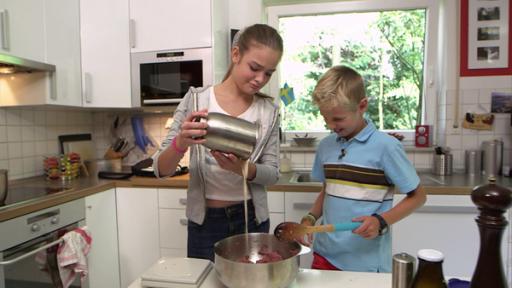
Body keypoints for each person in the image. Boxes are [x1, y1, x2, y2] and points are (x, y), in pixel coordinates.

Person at [151, 24, 283, 262]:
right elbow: (160, 169)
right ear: (235, 55)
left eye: (269, 73)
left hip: (251, 220)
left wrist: (243, 169)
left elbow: (273, 174)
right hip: (205, 222)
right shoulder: (195, 100)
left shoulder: (269, 112)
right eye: (254, 68)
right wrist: (180, 142)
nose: (260, 79)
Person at [301, 65, 426, 272]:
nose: (331, 125)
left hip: (366, 261)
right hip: (324, 255)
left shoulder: (386, 147)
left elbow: (419, 197)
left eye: (338, 119)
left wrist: (381, 221)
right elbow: (328, 190)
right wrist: (311, 217)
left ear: (362, 105)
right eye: (326, 119)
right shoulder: (326, 146)